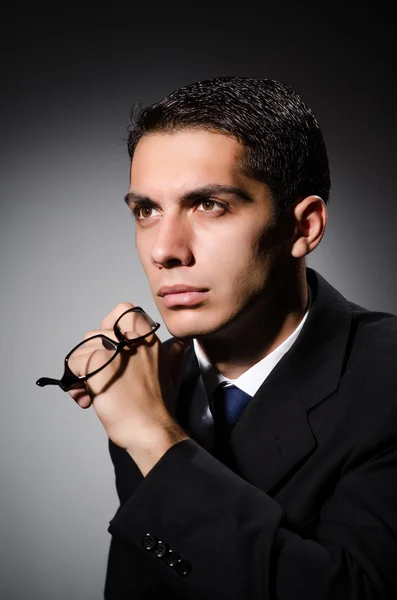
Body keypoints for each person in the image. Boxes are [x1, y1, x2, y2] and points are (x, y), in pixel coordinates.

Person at [67, 77, 397, 599]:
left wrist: (155, 438)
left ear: (304, 227)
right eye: (146, 211)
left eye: (209, 205)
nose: (165, 250)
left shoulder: (386, 376)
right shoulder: (149, 377)